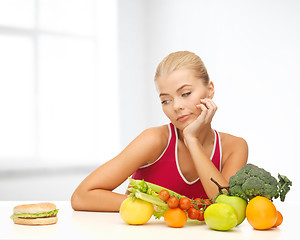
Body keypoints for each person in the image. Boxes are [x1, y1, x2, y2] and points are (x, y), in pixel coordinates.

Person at [71, 51, 248, 212]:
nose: (177, 106)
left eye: (185, 93)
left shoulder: (234, 147)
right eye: (165, 100)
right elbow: (81, 196)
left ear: (210, 90)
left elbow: (227, 208)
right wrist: (159, 206)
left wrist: (192, 140)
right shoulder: (154, 140)